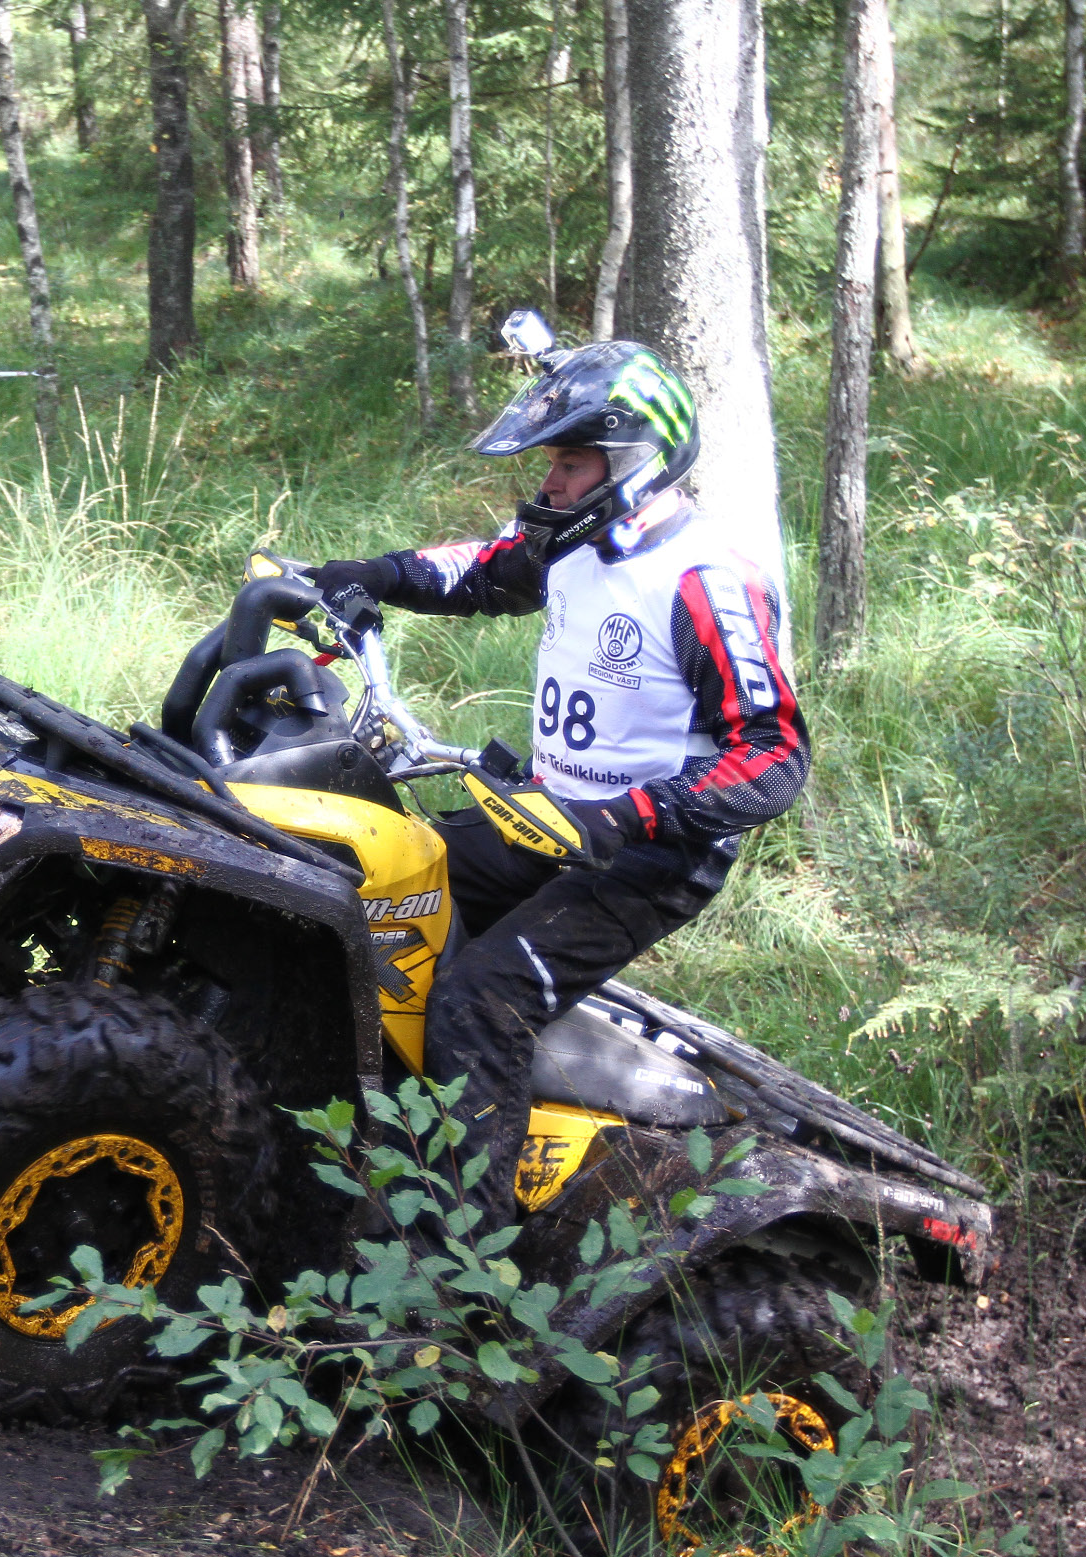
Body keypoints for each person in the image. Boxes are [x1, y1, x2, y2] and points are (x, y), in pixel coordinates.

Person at [308, 331, 808, 1174]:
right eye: (553, 463)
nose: (551, 483)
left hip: (648, 855)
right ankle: (355, 1139)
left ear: (636, 461)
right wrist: (379, 574)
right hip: (543, 819)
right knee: (377, 884)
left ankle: (459, 1244)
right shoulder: (576, 539)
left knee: (477, 1004)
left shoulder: (706, 579)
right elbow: (485, 570)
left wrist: (629, 816)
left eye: (571, 464)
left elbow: (773, 752)